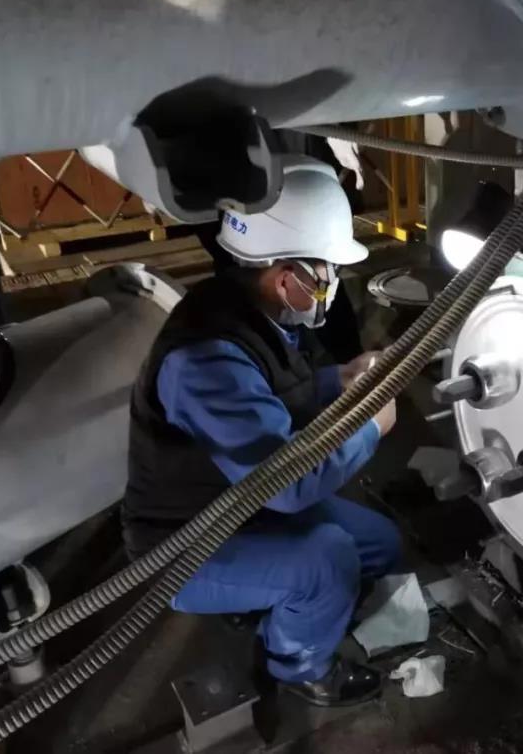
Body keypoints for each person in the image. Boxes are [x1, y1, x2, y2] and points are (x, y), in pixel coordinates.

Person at [122, 156, 400, 708]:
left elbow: (274, 392)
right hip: (187, 542)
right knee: (330, 560)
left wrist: (340, 379)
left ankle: (277, 599)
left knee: (379, 544)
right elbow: (287, 486)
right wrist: (371, 427)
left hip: (239, 506)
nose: (331, 285)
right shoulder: (205, 360)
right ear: (285, 275)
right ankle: (298, 666)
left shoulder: (254, 309)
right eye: (326, 272)